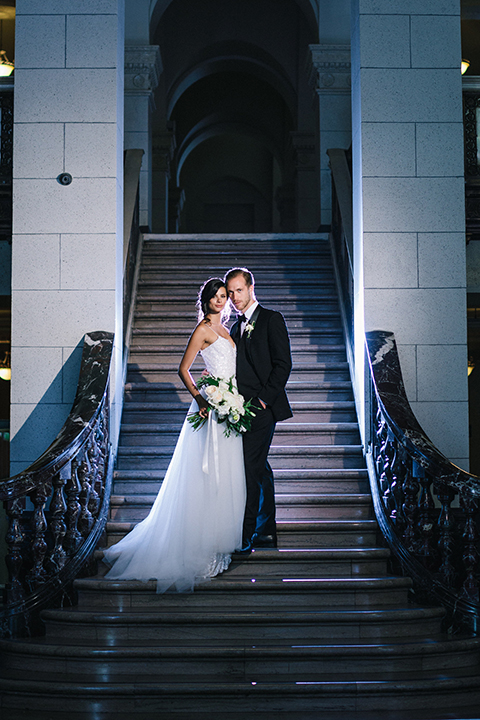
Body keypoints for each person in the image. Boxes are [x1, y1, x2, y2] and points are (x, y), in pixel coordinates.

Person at [102, 278, 246, 592]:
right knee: (206, 476)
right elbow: (183, 368)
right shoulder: (204, 330)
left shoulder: (228, 329)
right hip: (211, 408)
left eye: (224, 296)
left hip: (230, 407)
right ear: (206, 301)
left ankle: (220, 544)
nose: (221, 301)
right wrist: (201, 397)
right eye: (215, 297)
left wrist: (231, 397)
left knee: (227, 477)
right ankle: (201, 549)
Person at [225, 267, 292, 552]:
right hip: (238, 408)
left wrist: (263, 401)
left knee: (250, 468)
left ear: (251, 287)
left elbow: (283, 365)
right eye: (229, 293)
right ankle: (266, 530)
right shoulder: (233, 326)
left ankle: (246, 535)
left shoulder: (271, 319)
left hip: (262, 408)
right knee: (260, 468)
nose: (234, 297)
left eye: (239, 290)